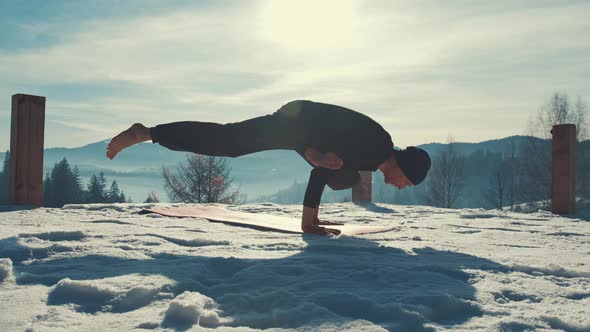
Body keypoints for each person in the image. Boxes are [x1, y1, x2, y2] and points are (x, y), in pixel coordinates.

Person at [106, 100, 431, 235]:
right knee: (228, 140)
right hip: (294, 122)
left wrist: (315, 155)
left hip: (301, 127)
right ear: (404, 168)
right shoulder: (374, 149)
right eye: (408, 182)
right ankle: (147, 132)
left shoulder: (374, 152)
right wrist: (309, 223)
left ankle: (150, 133)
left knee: (341, 175)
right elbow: (321, 162)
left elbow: (327, 154)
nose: (403, 187)